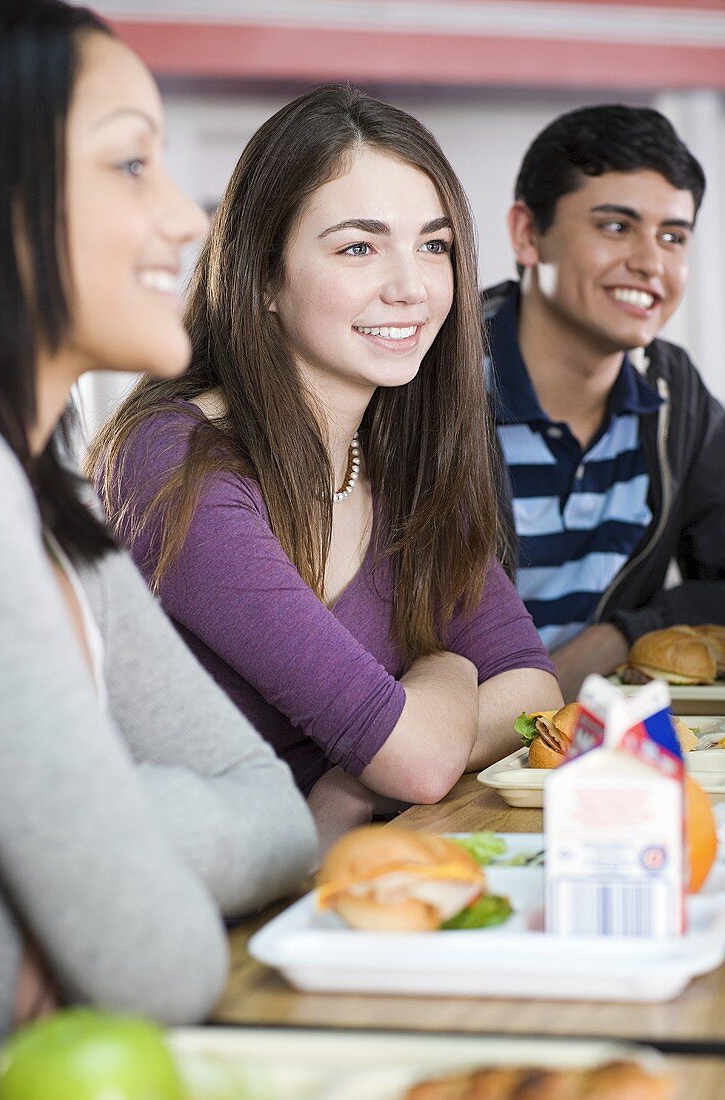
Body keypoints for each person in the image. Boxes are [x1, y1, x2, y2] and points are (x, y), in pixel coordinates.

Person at [89, 84, 562, 848]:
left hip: (328, 893)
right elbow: (415, 762)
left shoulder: (399, 458)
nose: (412, 286)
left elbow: (532, 687)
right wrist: (443, 669)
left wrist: (359, 770)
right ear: (265, 277)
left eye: (434, 245)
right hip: (194, 920)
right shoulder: (175, 460)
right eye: (358, 247)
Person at [0, 1, 317, 1045]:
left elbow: (277, 816)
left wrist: (91, 837)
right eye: (130, 164)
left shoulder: (47, 493)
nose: (186, 217)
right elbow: (161, 968)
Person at [485, 104, 725, 701]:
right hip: (425, 767)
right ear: (527, 233)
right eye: (616, 226)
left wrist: (621, 636)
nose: (650, 263)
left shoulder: (674, 395)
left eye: (673, 236)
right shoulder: (427, 385)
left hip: (586, 750)